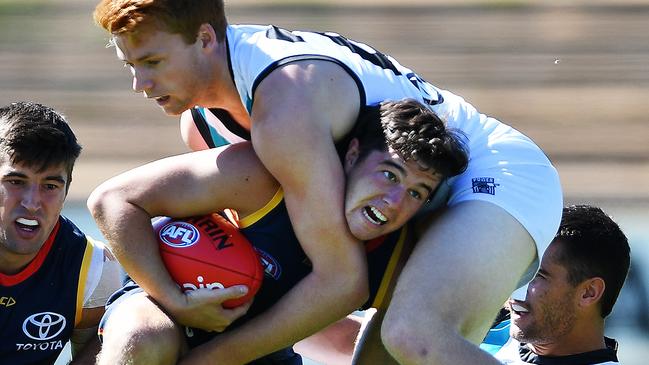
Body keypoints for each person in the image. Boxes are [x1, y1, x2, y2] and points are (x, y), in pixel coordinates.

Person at [92, 1, 563, 363]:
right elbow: (297, 262)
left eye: (152, 62)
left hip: (495, 172)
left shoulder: (283, 107)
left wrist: (206, 359)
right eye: (130, 65)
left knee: (414, 335)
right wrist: (176, 303)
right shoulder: (200, 121)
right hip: (417, 192)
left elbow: (341, 282)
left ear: (205, 38)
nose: (140, 83)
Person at [89, 99, 468, 364]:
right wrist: (176, 300)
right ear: (351, 155)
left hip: (257, 354)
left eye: (417, 193)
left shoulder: (396, 262)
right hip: (160, 305)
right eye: (389, 174)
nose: (394, 201)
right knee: (142, 338)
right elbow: (112, 200)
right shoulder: (264, 178)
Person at [0, 102, 122, 365]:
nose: (32, 202)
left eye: (50, 185)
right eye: (16, 182)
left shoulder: (93, 269)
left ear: (66, 191)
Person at [480, 204, 630, 364]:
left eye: (537, 274)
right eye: (517, 267)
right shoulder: (471, 330)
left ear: (589, 292)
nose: (515, 287)